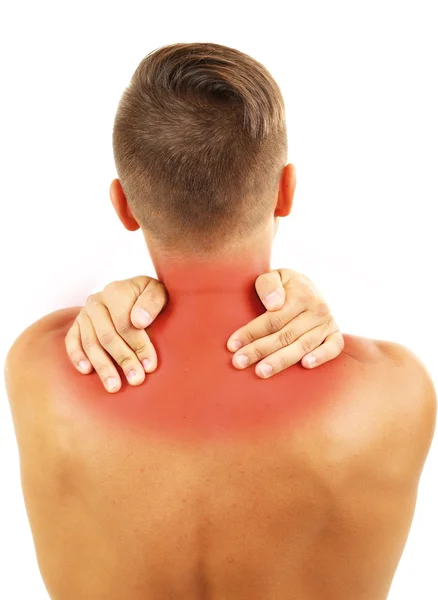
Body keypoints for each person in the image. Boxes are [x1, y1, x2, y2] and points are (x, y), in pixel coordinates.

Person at [5, 42, 436, 600]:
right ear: (285, 191)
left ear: (124, 206)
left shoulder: (39, 365)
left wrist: (106, 299)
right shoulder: (396, 392)